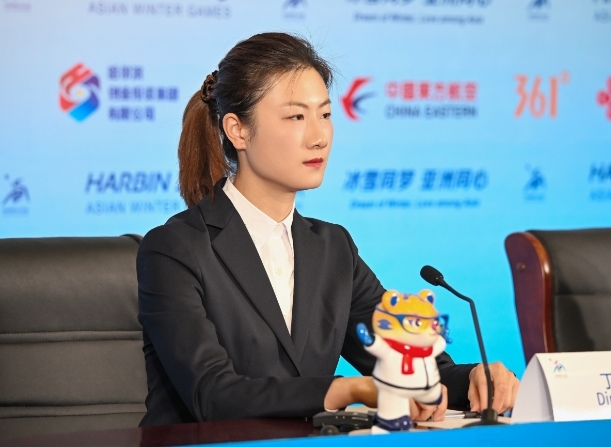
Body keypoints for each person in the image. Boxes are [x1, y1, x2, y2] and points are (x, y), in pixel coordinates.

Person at [136, 32, 519, 427]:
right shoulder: (175, 248)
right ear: (238, 130)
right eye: (296, 117)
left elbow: (404, 354)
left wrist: (474, 378)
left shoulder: (333, 248)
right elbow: (213, 395)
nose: (319, 137)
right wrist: (350, 390)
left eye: (325, 115)